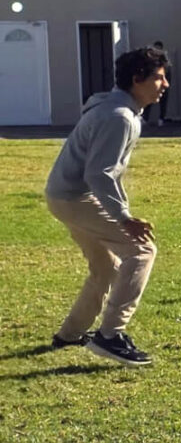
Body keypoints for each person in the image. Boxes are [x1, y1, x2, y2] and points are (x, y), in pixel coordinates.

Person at [44, 46, 169, 366]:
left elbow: (103, 172)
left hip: (63, 196)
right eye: (158, 78)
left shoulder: (116, 108)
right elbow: (98, 174)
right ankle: (110, 336)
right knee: (142, 251)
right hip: (76, 197)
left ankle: (70, 334)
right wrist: (124, 217)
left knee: (107, 267)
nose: (165, 85)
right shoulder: (118, 116)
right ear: (136, 79)